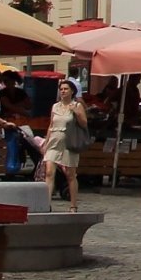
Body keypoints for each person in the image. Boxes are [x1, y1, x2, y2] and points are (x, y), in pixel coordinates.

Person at [39, 81, 89, 211]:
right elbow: (51, 125)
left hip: (69, 142)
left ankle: (73, 205)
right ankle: (46, 204)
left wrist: (76, 113)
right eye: (61, 89)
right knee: (49, 172)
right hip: (54, 140)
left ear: (72, 91)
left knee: (70, 174)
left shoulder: (77, 105)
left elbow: (84, 124)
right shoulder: (55, 106)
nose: (63, 91)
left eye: (66, 89)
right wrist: (46, 142)